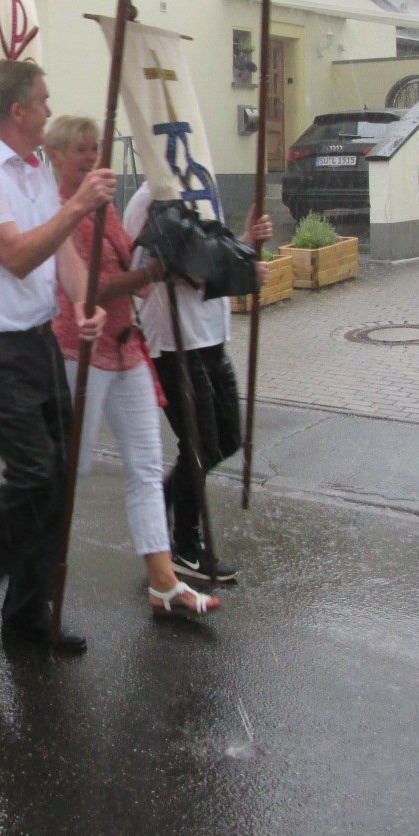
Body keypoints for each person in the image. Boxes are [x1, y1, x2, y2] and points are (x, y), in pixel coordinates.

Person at [0, 61, 115, 657]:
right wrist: (79, 205)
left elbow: (59, 250)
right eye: (42, 100)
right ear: (17, 110)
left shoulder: (35, 167)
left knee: (58, 477)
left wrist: (84, 300)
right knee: (34, 472)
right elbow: (15, 255)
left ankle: (27, 615)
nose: (48, 109)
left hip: (35, 339)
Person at [44, 115, 223, 619]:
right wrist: (148, 273)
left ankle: (163, 583)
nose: (91, 156)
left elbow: (130, 267)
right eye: (80, 148)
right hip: (81, 351)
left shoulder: (105, 207)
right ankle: (37, 570)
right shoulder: (58, 211)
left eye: (95, 146)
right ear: (55, 155)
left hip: (127, 348)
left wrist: (164, 258)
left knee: (145, 465)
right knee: (73, 467)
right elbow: (91, 288)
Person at [123, 179, 271, 584]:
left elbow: (212, 250)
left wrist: (245, 242)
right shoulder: (148, 199)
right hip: (174, 343)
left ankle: (165, 500)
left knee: (228, 439)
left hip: (211, 337)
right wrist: (186, 268)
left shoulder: (201, 180)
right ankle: (185, 547)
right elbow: (140, 274)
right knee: (199, 445)